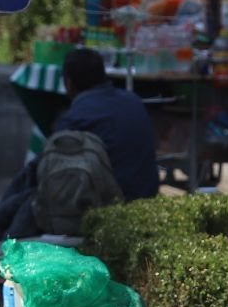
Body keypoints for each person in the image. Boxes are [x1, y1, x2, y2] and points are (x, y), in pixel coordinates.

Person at [53, 47, 159, 201]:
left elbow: (58, 176)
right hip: (148, 198)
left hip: (113, 206)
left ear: (68, 83)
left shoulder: (73, 120)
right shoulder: (134, 101)